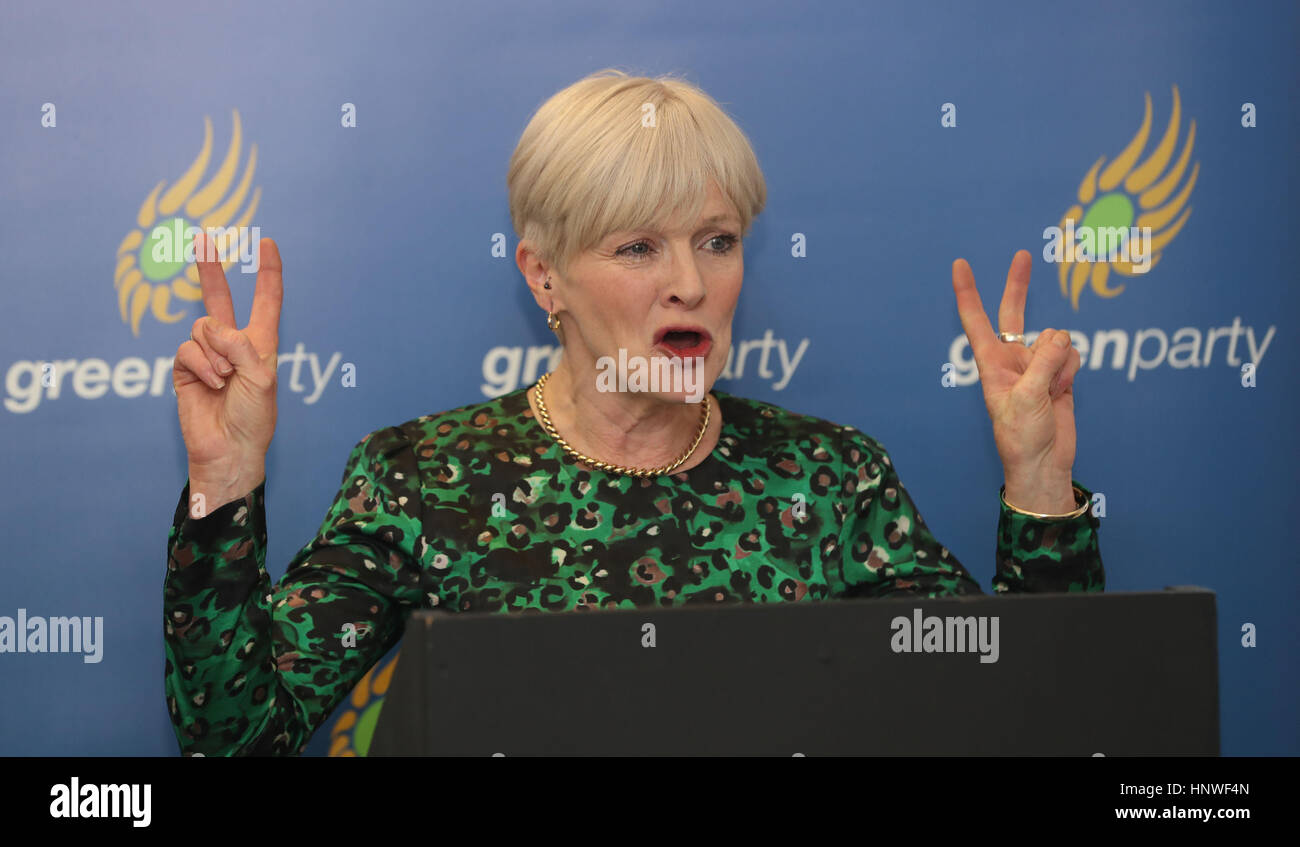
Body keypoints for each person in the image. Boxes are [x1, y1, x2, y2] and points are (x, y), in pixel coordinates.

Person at [165, 68, 1102, 757]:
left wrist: (1039, 485)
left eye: (718, 241)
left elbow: (1028, 726)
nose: (690, 283)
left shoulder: (828, 479)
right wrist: (224, 485)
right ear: (544, 275)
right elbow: (238, 740)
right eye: (640, 246)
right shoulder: (421, 479)